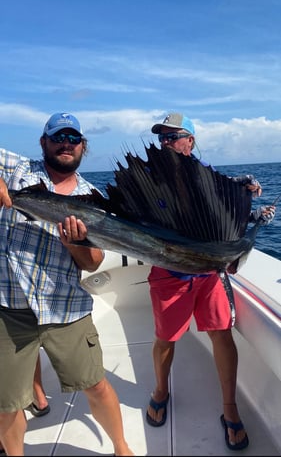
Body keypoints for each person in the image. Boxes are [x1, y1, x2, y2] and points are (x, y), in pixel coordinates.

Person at [0, 112, 133, 456]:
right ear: (44, 142)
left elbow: (93, 263)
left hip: (65, 306)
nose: (66, 144)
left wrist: (75, 242)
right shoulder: (16, 169)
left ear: (83, 147)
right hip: (9, 308)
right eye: (58, 137)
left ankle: (121, 449)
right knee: (6, 403)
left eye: (73, 139)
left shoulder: (93, 197)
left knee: (96, 385)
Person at [145, 113, 275, 451]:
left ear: (190, 140)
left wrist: (244, 196)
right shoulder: (152, 177)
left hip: (207, 273)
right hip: (170, 272)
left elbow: (224, 208)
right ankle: (161, 390)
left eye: (173, 137)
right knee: (166, 338)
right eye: (162, 138)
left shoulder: (210, 176)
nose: (166, 144)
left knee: (221, 333)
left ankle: (229, 408)